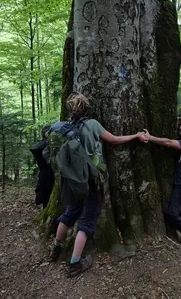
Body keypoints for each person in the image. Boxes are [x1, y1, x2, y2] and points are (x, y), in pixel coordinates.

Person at [49, 92, 147, 277]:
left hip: (73, 181)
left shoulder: (64, 128)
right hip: (93, 180)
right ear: (86, 109)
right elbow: (114, 140)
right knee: (86, 221)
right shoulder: (92, 124)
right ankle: (75, 264)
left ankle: (56, 249)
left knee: (70, 214)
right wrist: (136, 135)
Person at [143, 116, 181, 250]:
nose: (180, 127)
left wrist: (150, 137)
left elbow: (168, 143)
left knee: (171, 215)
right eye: (179, 125)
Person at [30, 125, 54, 208]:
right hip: (46, 174)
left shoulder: (49, 143)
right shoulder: (43, 145)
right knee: (46, 194)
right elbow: (35, 149)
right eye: (48, 132)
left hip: (49, 173)